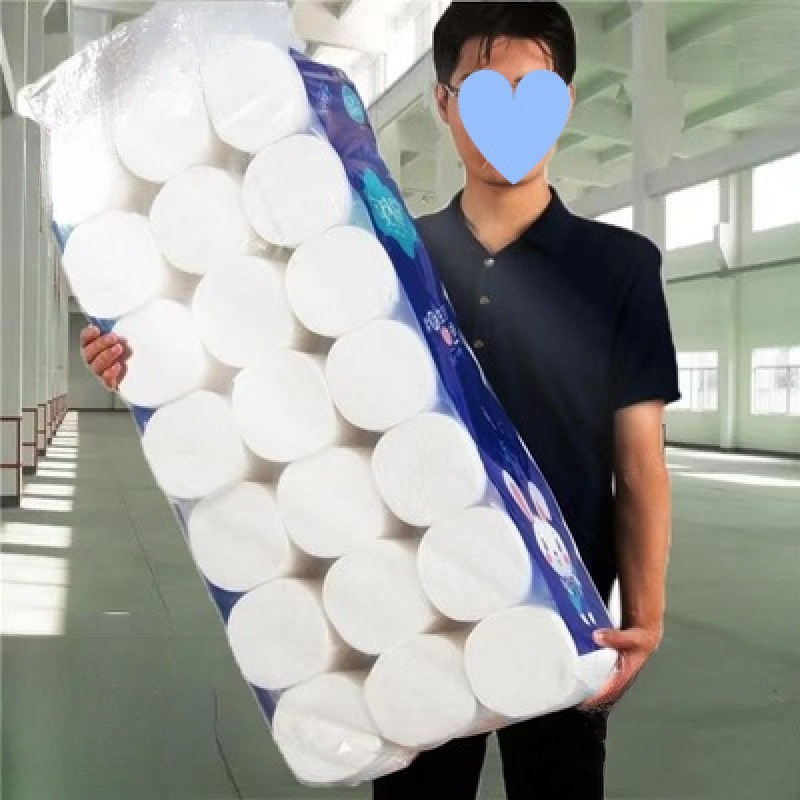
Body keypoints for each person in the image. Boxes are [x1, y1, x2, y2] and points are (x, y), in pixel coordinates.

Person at [81, 3, 681, 797]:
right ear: (443, 103)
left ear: (565, 102)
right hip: (405, 604)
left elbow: (640, 465)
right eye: (481, 93)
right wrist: (146, 352)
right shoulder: (381, 251)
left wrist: (646, 617)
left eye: (531, 93)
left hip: (565, 616)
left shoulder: (620, 267)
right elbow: (271, 355)